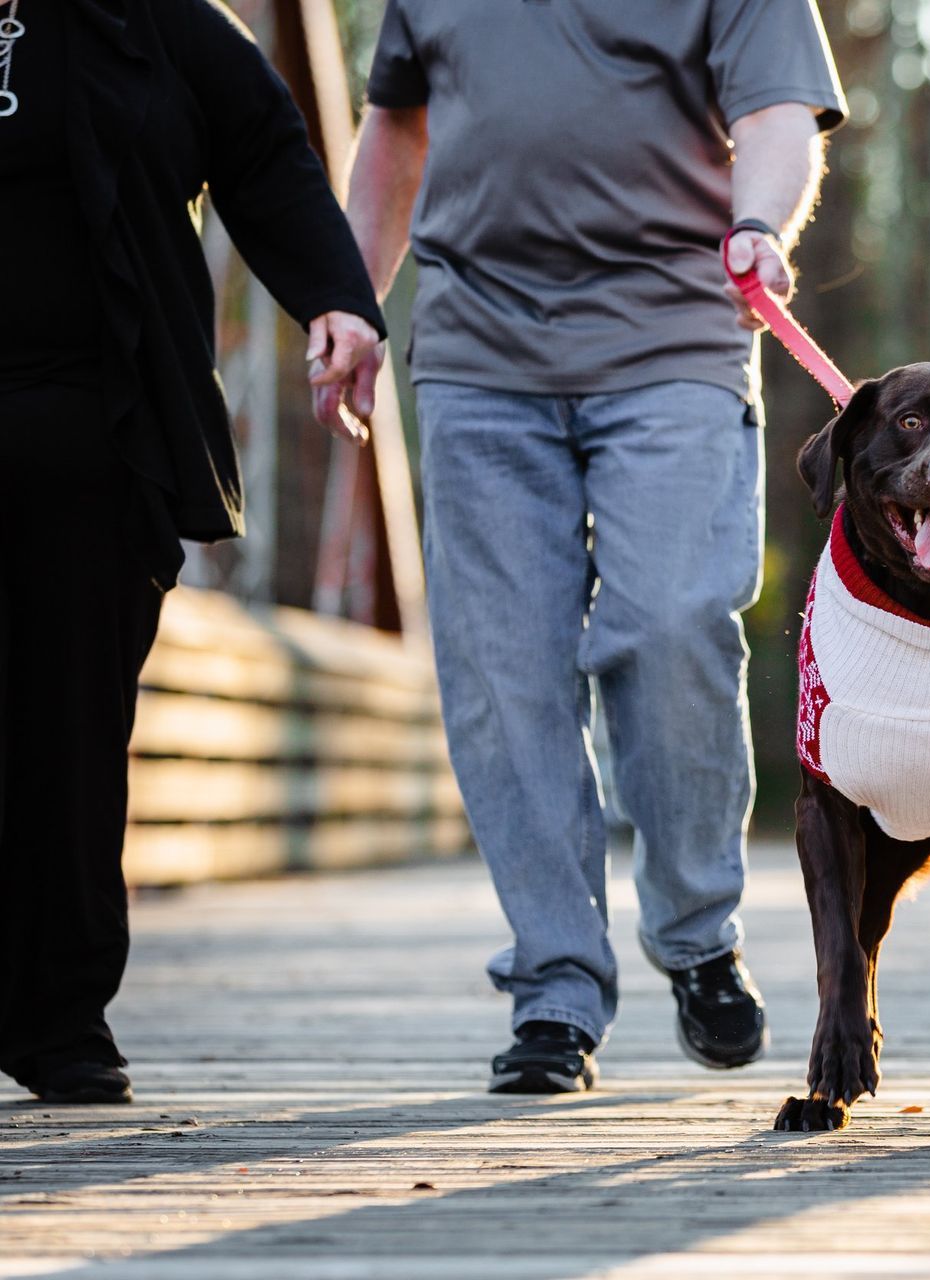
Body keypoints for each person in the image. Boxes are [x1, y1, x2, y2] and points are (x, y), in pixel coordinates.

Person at [345, 0, 845, 1093]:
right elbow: (396, 126)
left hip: (672, 329)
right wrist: (352, 297)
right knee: (504, 667)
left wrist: (759, 221)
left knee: (671, 623)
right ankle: (556, 985)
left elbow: (777, 117)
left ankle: (698, 931)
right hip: (478, 350)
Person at [0, 0, 386, 1104]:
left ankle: (60, 1016)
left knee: (74, 730)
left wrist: (335, 300)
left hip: (100, 432)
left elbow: (264, 146)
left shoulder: (155, 21)